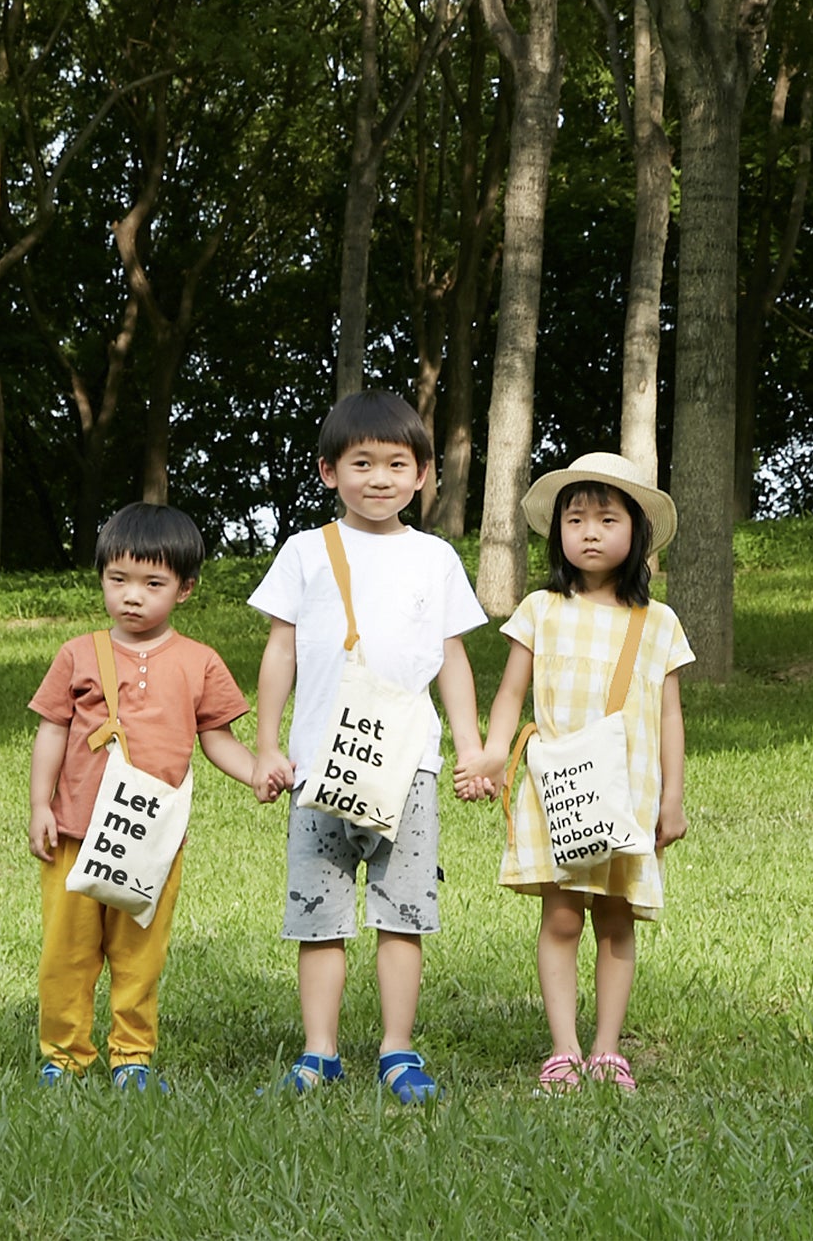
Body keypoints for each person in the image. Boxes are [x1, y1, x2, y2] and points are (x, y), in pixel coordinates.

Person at [249, 390, 486, 1103]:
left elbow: (452, 657)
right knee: (317, 913)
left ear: (422, 476)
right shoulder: (303, 551)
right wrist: (266, 744)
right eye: (360, 463)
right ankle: (319, 1049)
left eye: (396, 464)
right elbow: (280, 649)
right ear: (328, 471)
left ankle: (396, 1046)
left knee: (400, 908)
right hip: (319, 764)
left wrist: (471, 745)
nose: (378, 478)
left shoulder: (434, 557)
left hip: (405, 769)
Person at [454, 452, 693, 1094]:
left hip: (628, 794)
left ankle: (608, 1049)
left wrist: (673, 797)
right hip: (559, 790)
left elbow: (670, 717)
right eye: (575, 518)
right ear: (557, 531)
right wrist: (491, 753)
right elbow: (509, 694)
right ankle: (562, 1050)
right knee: (561, 918)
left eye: (606, 519)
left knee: (616, 918)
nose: (589, 531)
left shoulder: (658, 622)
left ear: (636, 530)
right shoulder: (541, 608)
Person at [27, 501, 269, 1091]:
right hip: (76, 834)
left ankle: (131, 1057)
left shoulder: (199, 662)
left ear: (184, 590)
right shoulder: (78, 653)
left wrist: (258, 772)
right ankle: (64, 1056)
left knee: (139, 955)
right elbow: (52, 728)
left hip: (152, 841)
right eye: (118, 580)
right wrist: (40, 805)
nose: (132, 596)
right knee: (68, 952)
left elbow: (218, 738)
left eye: (152, 583)